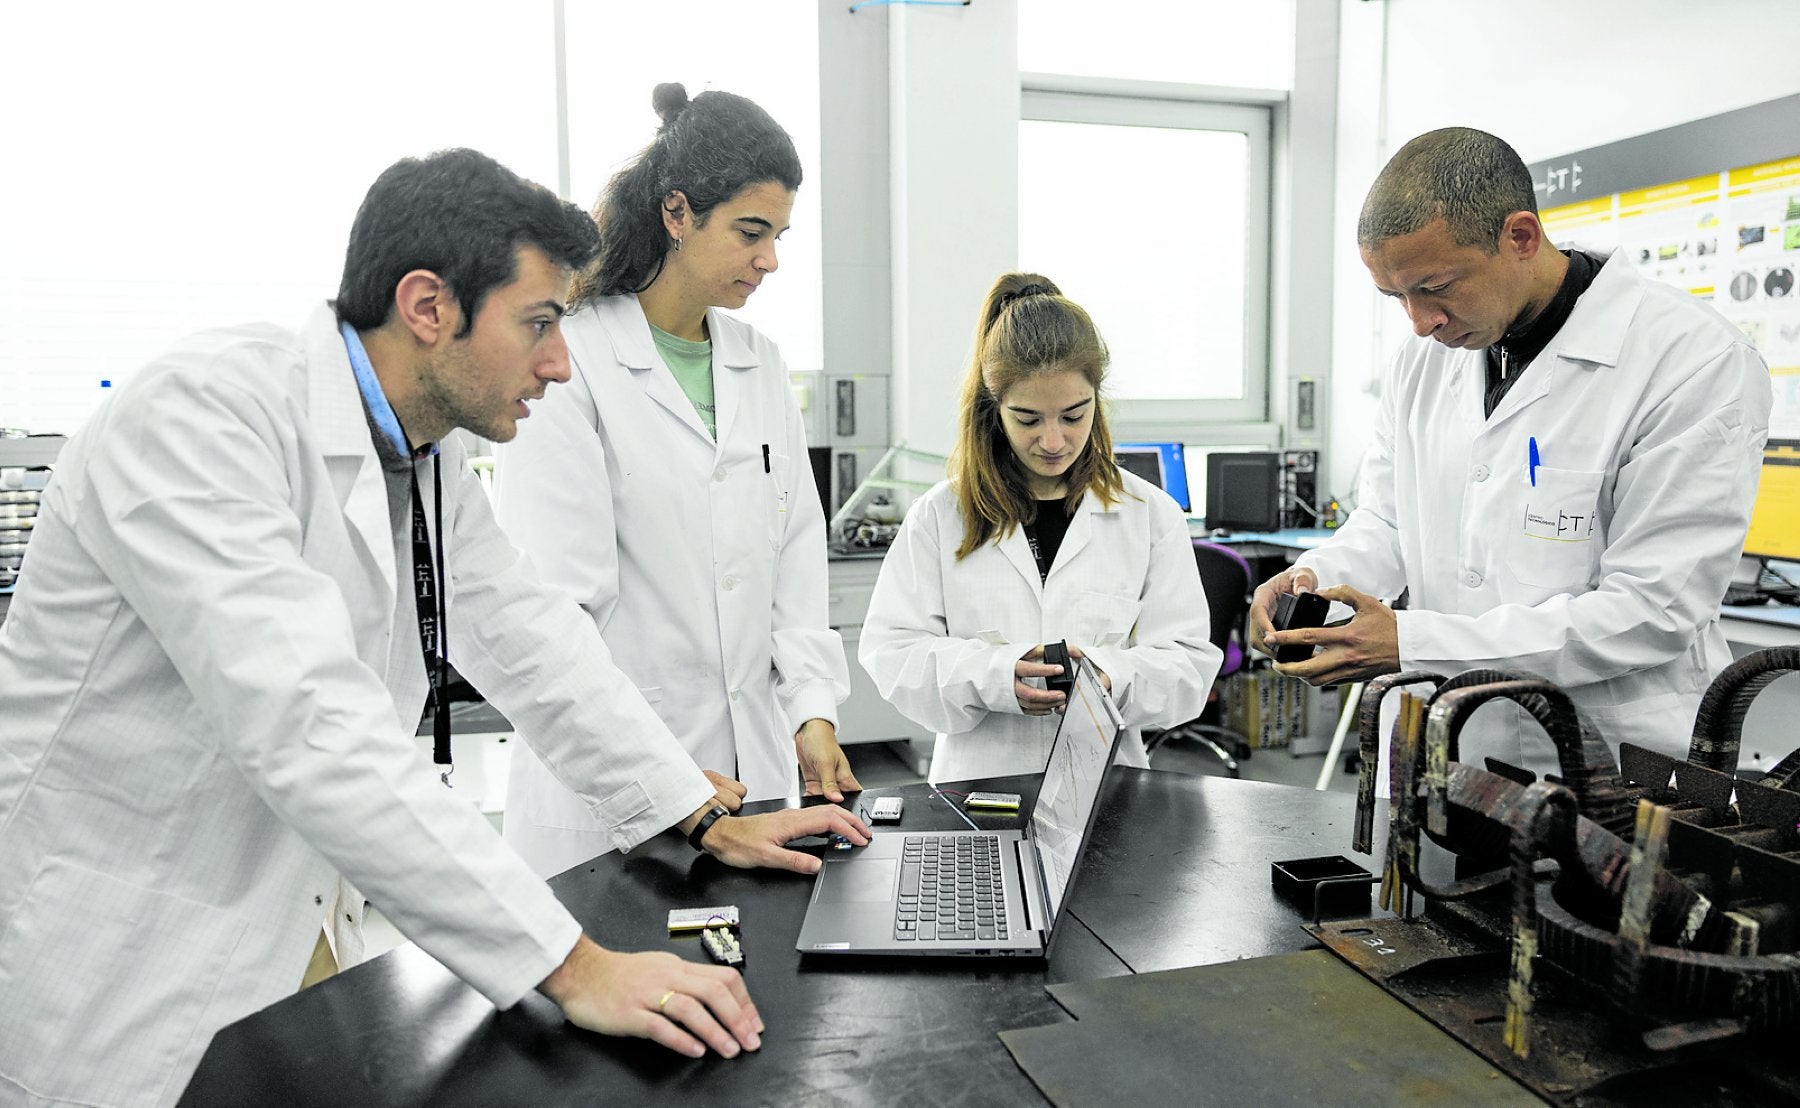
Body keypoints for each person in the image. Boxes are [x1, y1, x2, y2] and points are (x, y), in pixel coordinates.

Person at [0, 148, 869, 1107]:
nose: (558, 361)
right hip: (119, 945)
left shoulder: (424, 461)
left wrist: (699, 813)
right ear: (428, 306)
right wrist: (575, 967)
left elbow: (533, 641)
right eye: (540, 322)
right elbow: (310, 728)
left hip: (291, 921)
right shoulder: (199, 419)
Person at [1251, 126, 1772, 778]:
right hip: (1443, 741)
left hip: (1606, 755)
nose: (1419, 321)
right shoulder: (1424, 361)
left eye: (1435, 286)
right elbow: (1387, 520)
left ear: (1520, 238)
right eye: (1397, 297)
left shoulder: (1689, 360)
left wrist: (1415, 641)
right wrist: (1314, 583)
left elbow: (1652, 611)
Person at [493, 84, 858, 878]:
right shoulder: (571, 361)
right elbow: (563, 611)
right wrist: (656, 778)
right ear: (677, 212)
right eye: (750, 232)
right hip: (606, 799)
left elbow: (794, 558)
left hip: (749, 780)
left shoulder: (758, 362)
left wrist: (813, 714)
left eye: (780, 235)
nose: (770, 260)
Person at [858, 273, 1220, 782]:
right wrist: (997, 675)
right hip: (977, 786)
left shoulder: (1149, 514)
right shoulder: (942, 516)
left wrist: (1107, 677)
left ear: (1098, 398)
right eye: (1028, 419)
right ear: (994, 407)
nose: (1054, 441)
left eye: (1074, 415)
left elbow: (1187, 669)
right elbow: (893, 654)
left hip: (1108, 787)